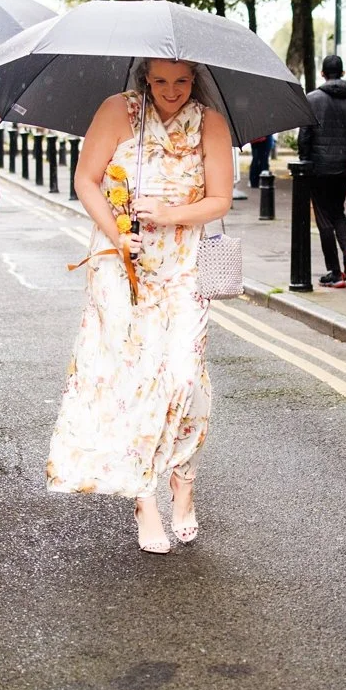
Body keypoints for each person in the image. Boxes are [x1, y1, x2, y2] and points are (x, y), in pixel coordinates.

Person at [47, 57, 234, 553]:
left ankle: (183, 476)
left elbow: (220, 199)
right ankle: (144, 496)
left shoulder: (209, 123)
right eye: (160, 81)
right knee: (135, 381)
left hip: (182, 267)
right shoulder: (118, 112)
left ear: (194, 79)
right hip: (119, 265)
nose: (171, 91)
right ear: (143, 78)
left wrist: (171, 214)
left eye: (181, 81)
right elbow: (86, 181)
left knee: (184, 377)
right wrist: (116, 234)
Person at [297, 54, 346, 288]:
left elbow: (304, 137)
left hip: (318, 169)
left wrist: (305, 163)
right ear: (343, 73)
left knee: (324, 218)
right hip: (343, 169)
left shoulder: (312, 99)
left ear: (323, 74)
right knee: (338, 212)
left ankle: (335, 272)